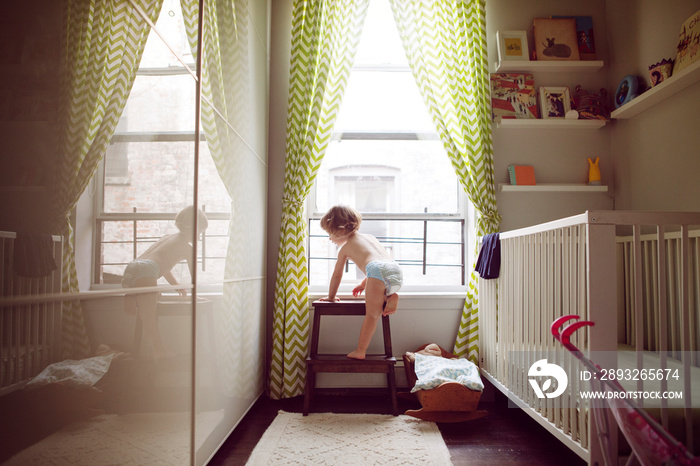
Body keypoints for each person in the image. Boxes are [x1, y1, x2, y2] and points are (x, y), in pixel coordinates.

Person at [122, 206, 208, 360]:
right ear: (194, 229)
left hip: (134, 266)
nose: (200, 237)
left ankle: (131, 294)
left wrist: (176, 285)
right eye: (200, 232)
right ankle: (159, 350)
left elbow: (161, 265)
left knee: (154, 295)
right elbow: (193, 278)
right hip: (148, 270)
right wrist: (194, 294)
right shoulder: (188, 248)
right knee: (148, 314)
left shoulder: (167, 237)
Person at [319, 205, 403, 360]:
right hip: (395, 270)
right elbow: (380, 264)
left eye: (330, 234)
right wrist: (364, 284)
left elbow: (337, 276)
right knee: (378, 296)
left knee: (372, 314)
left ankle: (360, 350)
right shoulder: (370, 237)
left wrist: (331, 297)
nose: (330, 239)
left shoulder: (345, 249)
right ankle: (390, 296)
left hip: (376, 271)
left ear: (341, 230)